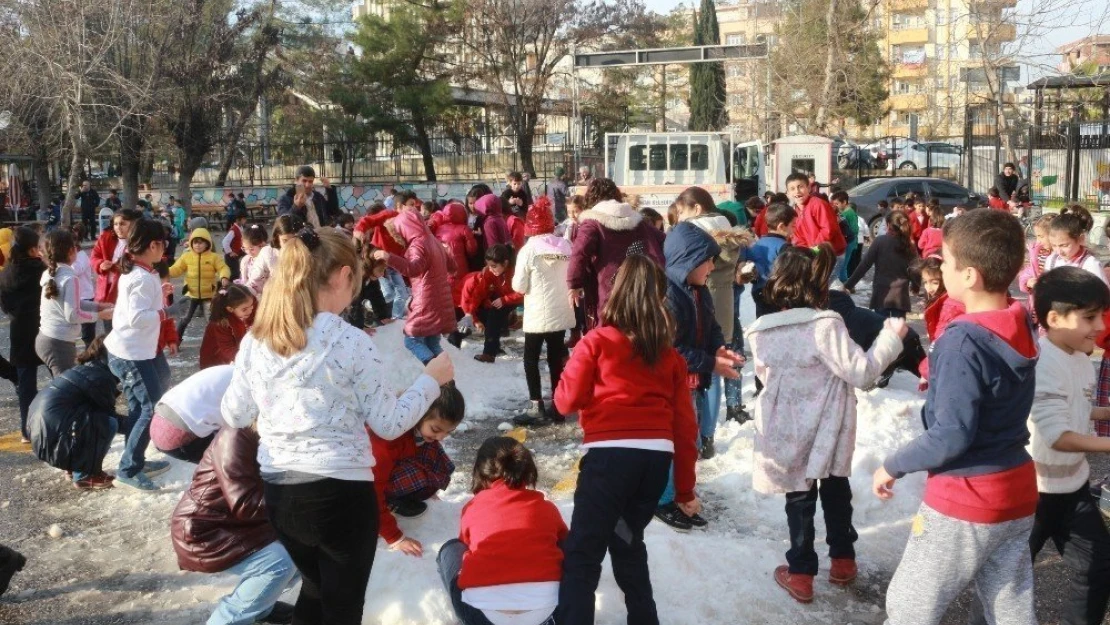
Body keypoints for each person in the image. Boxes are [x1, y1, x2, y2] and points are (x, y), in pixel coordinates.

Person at [221, 226, 455, 624]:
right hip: (339, 494)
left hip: (281, 494)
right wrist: (430, 381)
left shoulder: (259, 338)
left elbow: (234, 414)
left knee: (315, 591)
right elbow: (389, 423)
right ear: (344, 275)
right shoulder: (349, 341)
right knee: (342, 608)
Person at [875, 209, 1039, 625]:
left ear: (969, 275)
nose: (940, 268)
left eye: (946, 261)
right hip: (1017, 490)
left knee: (910, 607)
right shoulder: (1020, 320)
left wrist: (891, 465)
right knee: (1009, 609)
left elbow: (951, 433)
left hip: (967, 496)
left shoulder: (962, 340)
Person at [747, 244, 905, 603]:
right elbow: (861, 372)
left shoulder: (760, 331)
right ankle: (843, 560)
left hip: (785, 427)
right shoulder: (826, 325)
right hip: (829, 425)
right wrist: (891, 340)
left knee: (799, 499)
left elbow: (764, 379)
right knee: (836, 490)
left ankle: (801, 573)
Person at [554, 254, 699, 625]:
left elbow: (565, 401)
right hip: (654, 460)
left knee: (583, 554)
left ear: (615, 295)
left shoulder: (597, 342)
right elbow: (685, 429)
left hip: (608, 457)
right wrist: (684, 490)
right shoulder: (669, 357)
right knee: (628, 544)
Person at [1027, 267, 1110, 625]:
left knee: (1097, 565)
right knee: (1006, 579)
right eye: (1090, 317)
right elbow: (1057, 436)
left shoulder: (1079, 357)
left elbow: (1075, 406)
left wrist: (1106, 411)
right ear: (1054, 319)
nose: (1101, 327)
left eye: (1102, 316)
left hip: (1072, 486)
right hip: (1033, 495)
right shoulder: (1045, 362)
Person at [656, 222, 743, 530]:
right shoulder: (669, 297)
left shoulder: (699, 291)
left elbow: (713, 326)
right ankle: (664, 500)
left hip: (692, 383)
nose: (712, 266)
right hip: (671, 385)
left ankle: (682, 495)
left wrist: (720, 348)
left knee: (688, 443)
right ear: (687, 261)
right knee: (673, 445)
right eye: (706, 259)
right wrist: (711, 363)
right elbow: (673, 350)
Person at [170, 426, 297, 625]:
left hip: (242, 524)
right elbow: (245, 503)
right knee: (279, 562)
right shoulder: (236, 435)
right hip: (206, 530)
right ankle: (229, 618)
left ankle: (260, 606)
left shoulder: (278, 430)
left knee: (303, 550)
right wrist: (305, 501)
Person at [438, 437, 565, 625]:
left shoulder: (473, 507)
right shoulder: (547, 508)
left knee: (451, 548)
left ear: (481, 472)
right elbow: (565, 540)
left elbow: (466, 543)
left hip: (481, 614)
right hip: (547, 611)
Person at [672, 186, 752, 459]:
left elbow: (709, 323)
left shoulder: (693, 237)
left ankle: (699, 433)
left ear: (695, 208)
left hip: (700, 309)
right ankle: (706, 436)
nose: (680, 217)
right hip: (725, 302)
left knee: (703, 373)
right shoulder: (728, 229)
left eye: (682, 211)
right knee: (715, 370)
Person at [104, 219, 174, 491]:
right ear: (154, 244)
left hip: (139, 350)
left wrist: (160, 297)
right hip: (131, 353)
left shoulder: (143, 272)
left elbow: (139, 306)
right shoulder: (140, 276)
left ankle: (136, 459)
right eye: (163, 244)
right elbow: (135, 317)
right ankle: (129, 469)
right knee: (150, 407)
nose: (164, 250)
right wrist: (165, 312)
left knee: (141, 407)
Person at [373, 384, 465, 556]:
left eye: (448, 432)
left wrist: (427, 489)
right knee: (420, 474)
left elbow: (428, 455)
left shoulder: (417, 430)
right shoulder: (389, 438)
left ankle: (399, 499)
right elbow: (371, 491)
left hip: (386, 475)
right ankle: (388, 505)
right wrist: (395, 538)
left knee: (437, 459)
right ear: (418, 414)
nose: (441, 437)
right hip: (360, 489)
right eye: (436, 429)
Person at [566, 178, 665, 330]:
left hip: (608, 288)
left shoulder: (592, 223)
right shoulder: (638, 221)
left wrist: (574, 283)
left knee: (609, 330)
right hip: (640, 285)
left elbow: (579, 253)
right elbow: (663, 240)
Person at [511, 197, 573, 426]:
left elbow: (518, 286)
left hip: (537, 313)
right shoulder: (565, 245)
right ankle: (558, 406)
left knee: (531, 358)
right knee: (556, 357)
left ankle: (536, 405)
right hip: (561, 311)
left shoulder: (528, 250)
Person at [26, 336, 120, 489]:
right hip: (50, 437)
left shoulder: (86, 369)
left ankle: (73, 467)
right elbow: (109, 415)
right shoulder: (100, 377)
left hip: (41, 435)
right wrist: (144, 424)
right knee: (108, 423)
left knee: (91, 418)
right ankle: (84, 475)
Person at [375, 210, 456, 364]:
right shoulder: (434, 241)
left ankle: (437, 371)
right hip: (441, 299)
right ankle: (445, 375)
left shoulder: (418, 244)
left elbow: (413, 269)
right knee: (432, 342)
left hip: (426, 300)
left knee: (411, 340)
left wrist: (389, 257)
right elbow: (453, 267)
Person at [36, 230, 113, 376]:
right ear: (72, 250)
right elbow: (72, 315)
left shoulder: (51, 273)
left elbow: (73, 303)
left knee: (63, 388)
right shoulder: (70, 278)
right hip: (59, 343)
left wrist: (98, 306)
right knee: (65, 392)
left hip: (47, 338)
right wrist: (99, 316)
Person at [0, 228, 46, 442]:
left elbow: (5, 305)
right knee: (60, 374)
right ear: (32, 249)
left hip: (19, 329)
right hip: (44, 326)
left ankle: (27, 430)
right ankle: (64, 419)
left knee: (26, 382)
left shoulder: (6, 273)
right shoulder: (40, 269)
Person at [150, 364, 233, 463]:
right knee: (235, 460)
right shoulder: (244, 385)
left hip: (158, 422)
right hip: (178, 439)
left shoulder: (229, 369)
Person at [844, 211, 916, 318]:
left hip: (881, 294)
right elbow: (916, 269)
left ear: (888, 225)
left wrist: (848, 285)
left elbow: (864, 265)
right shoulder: (909, 245)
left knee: (881, 329)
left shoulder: (879, 241)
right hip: (900, 295)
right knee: (899, 331)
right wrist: (916, 285)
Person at [460, 245, 522, 364]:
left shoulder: (516, 271)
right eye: (489, 266)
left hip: (520, 297)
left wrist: (505, 299)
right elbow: (479, 293)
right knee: (491, 314)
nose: (491, 269)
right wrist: (471, 314)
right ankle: (490, 352)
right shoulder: (489, 272)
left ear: (505, 263)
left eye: (494, 266)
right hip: (503, 299)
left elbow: (524, 291)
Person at [169, 228, 232, 338]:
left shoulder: (214, 257)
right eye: (195, 242)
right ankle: (176, 341)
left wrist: (224, 276)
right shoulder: (186, 256)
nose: (197, 245)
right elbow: (176, 269)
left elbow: (223, 268)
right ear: (191, 243)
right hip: (191, 294)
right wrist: (164, 271)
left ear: (207, 243)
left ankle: (219, 342)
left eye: (201, 242)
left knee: (212, 321)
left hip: (208, 294)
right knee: (185, 319)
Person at [785, 172, 847, 283]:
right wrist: (803, 252)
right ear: (788, 193)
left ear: (809, 188)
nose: (797, 191)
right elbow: (798, 235)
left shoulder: (818, 204)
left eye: (800, 187)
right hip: (814, 255)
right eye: (792, 189)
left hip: (831, 254)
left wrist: (813, 249)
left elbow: (828, 229)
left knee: (823, 288)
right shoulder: (794, 211)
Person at [90, 208, 143, 333]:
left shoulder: (138, 242)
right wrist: (100, 264)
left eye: (123, 224)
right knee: (109, 330)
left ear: (133, 224)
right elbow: (94, 257)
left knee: (125, 328)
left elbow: (134, 265)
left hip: (124, 291)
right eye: (116, 224)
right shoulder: (105, 238)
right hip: (106, 291)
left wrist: (114, 266)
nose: (118, 227)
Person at [748, 203, 797, 319]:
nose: (794, 229)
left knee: (764, 323)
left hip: (759, 292)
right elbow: (790, 275)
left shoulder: (757, 245)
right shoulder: (784, 247)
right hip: (779, 295)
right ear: (781, 226)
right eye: (793, 225)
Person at [434, 201, 479, 310]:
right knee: (461, 290)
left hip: (443, 266)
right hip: (460, 265)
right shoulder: (464, 229)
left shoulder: (439, 229)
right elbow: (472, 249)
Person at [198, 284, 255, 370]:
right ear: (230, 309)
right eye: (245, 309)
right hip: (216, 366)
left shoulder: (240, 313)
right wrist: (247, 360)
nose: (250, 311)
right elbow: (227, 349)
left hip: (231, 360)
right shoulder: (221, 324)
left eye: (251, 306)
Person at [1045, 206, 1105, 282]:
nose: (1058, 251)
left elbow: (1103, 292)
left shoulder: (1090, 265)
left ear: (1081, 239)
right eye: (1054, 245)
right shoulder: (1051, 260)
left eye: (1064, 245)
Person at [1017, 214, 1057, 318]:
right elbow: (1027, 272)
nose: (1038, 241)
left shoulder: (1061, 256)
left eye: (1041, 236)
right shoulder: (1039, 253)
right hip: (1036, 306)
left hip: (1054, 307)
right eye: (1037, 236)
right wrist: (1028, 281)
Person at [277, 165, 341, 228]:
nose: (307, 185)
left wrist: (329, 189)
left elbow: (333, 211)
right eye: (304, 181)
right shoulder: (285, 199)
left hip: (322, 234)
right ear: (296, 180)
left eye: (310, 181)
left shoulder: (317, 196)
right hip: (301, 237)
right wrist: (296, 206)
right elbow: (283, 223)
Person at [237, 223, 279, 297]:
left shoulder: (269, 258)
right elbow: (245, 279)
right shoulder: (246, 260)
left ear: (262, 244)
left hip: (267, 295)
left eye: (251, 249)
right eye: (244, 248)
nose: (248, 252)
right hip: (251, 295)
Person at [830, 192, 858, 283]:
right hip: (848, 241)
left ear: (844, 202)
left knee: (843, 265)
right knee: (842, 265)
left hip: (849, 242)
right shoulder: (844, 212)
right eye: (834, 204)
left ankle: (845, 285)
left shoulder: (848, 213)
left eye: (837, 204)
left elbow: (854, 229)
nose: (835, 206)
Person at [222, 210, 247, 282]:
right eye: (244, 219)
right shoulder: (233, 230)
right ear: (238, 219)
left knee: (237, 272)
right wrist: (230, 252)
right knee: (234, 273)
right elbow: (224, 242)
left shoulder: (240, 228)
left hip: (236, 253)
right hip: (230, 256)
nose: (245, 221)